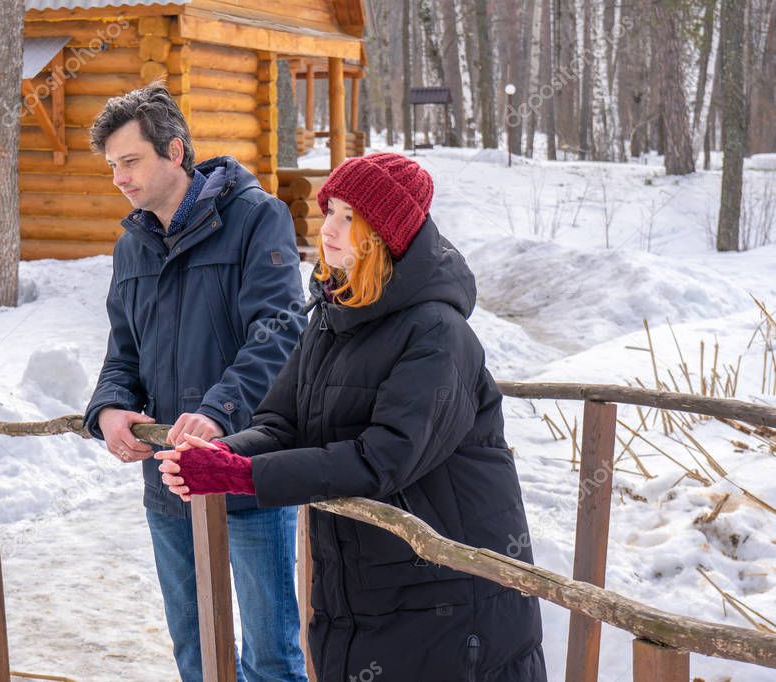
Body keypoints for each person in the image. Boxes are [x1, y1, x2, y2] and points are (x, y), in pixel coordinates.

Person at [156, 152, 547, 681]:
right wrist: (226, 452)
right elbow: (281, 422)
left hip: (448, 592)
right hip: (361, 583)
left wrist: (245, 477)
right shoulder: (332, 315)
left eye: (348, 217)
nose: (328, 229)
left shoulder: (437, 332)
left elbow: (385, 457)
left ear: (384, 234)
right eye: (330, 211)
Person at [83, 82, 308, 682]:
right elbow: (122, 354)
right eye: (112, 166)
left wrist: (219, 411)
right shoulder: (132, 247)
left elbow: (280, 329)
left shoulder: (257, 218)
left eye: (130, 161)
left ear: (174, 151)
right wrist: (109, 409)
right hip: (170, 478)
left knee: (270, 656)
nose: (119, 179)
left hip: (245, 466)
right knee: (196, 648)